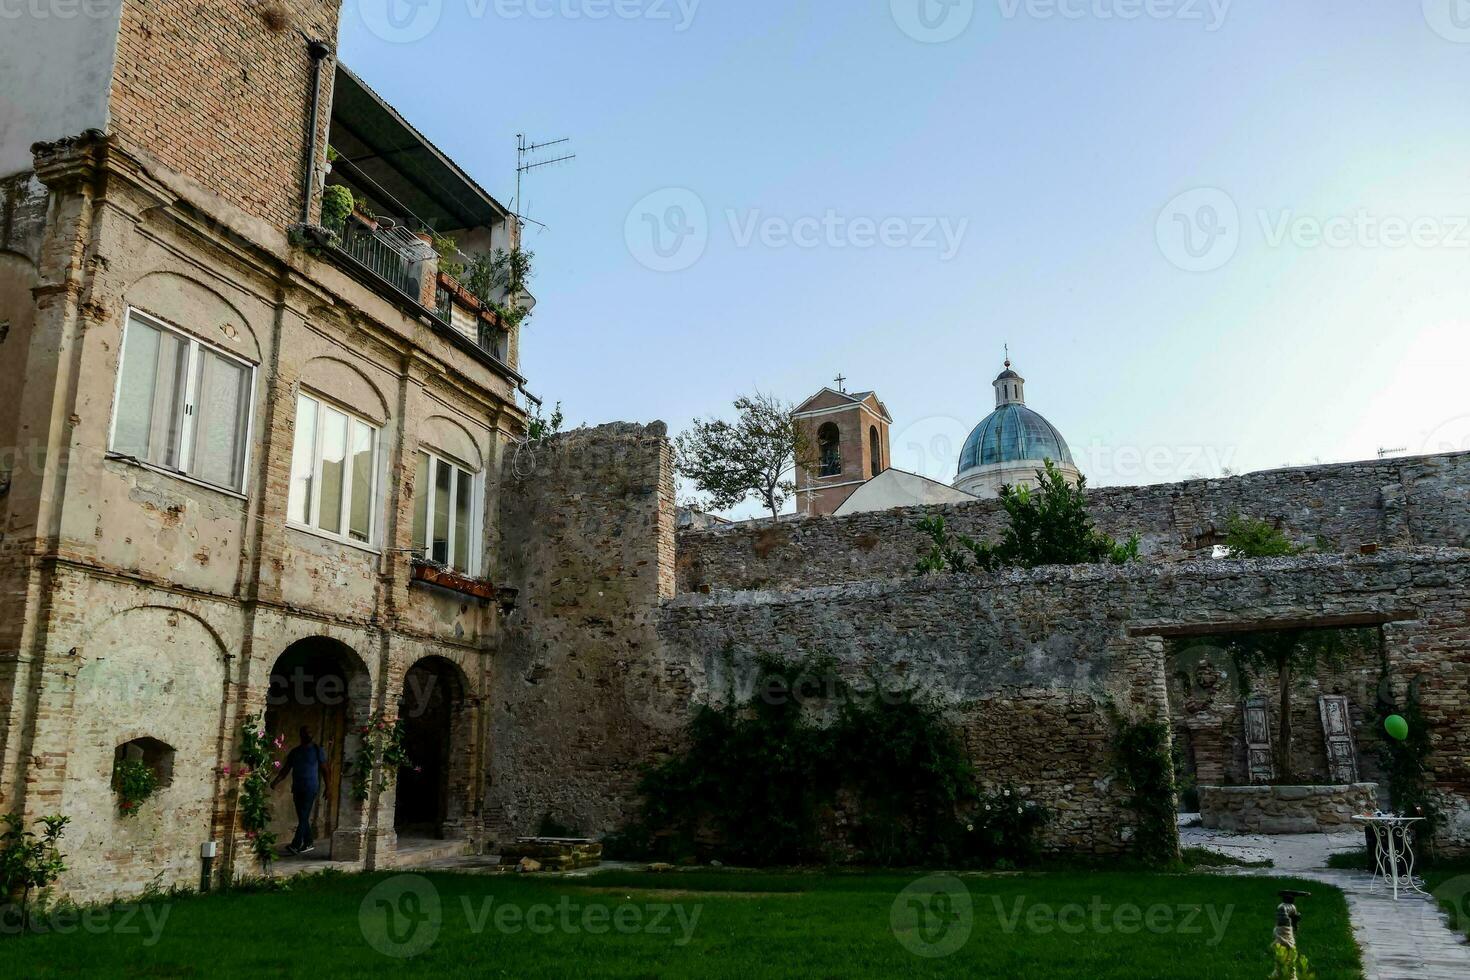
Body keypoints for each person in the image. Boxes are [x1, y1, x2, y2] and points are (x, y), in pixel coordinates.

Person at [271, 726, 329, 856]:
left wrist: (328, 788)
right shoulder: (295, 752)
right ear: (301, 734)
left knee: (303, 816)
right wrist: (276, 781)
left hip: (311, 788)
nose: (309, 734)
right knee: (303, 816)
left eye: (310, 732)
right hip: (297, 788)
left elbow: (325, 770)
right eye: (306, 732)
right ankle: (308, 842)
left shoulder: (317, 750)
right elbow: (285, 769)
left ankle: (295, 845)